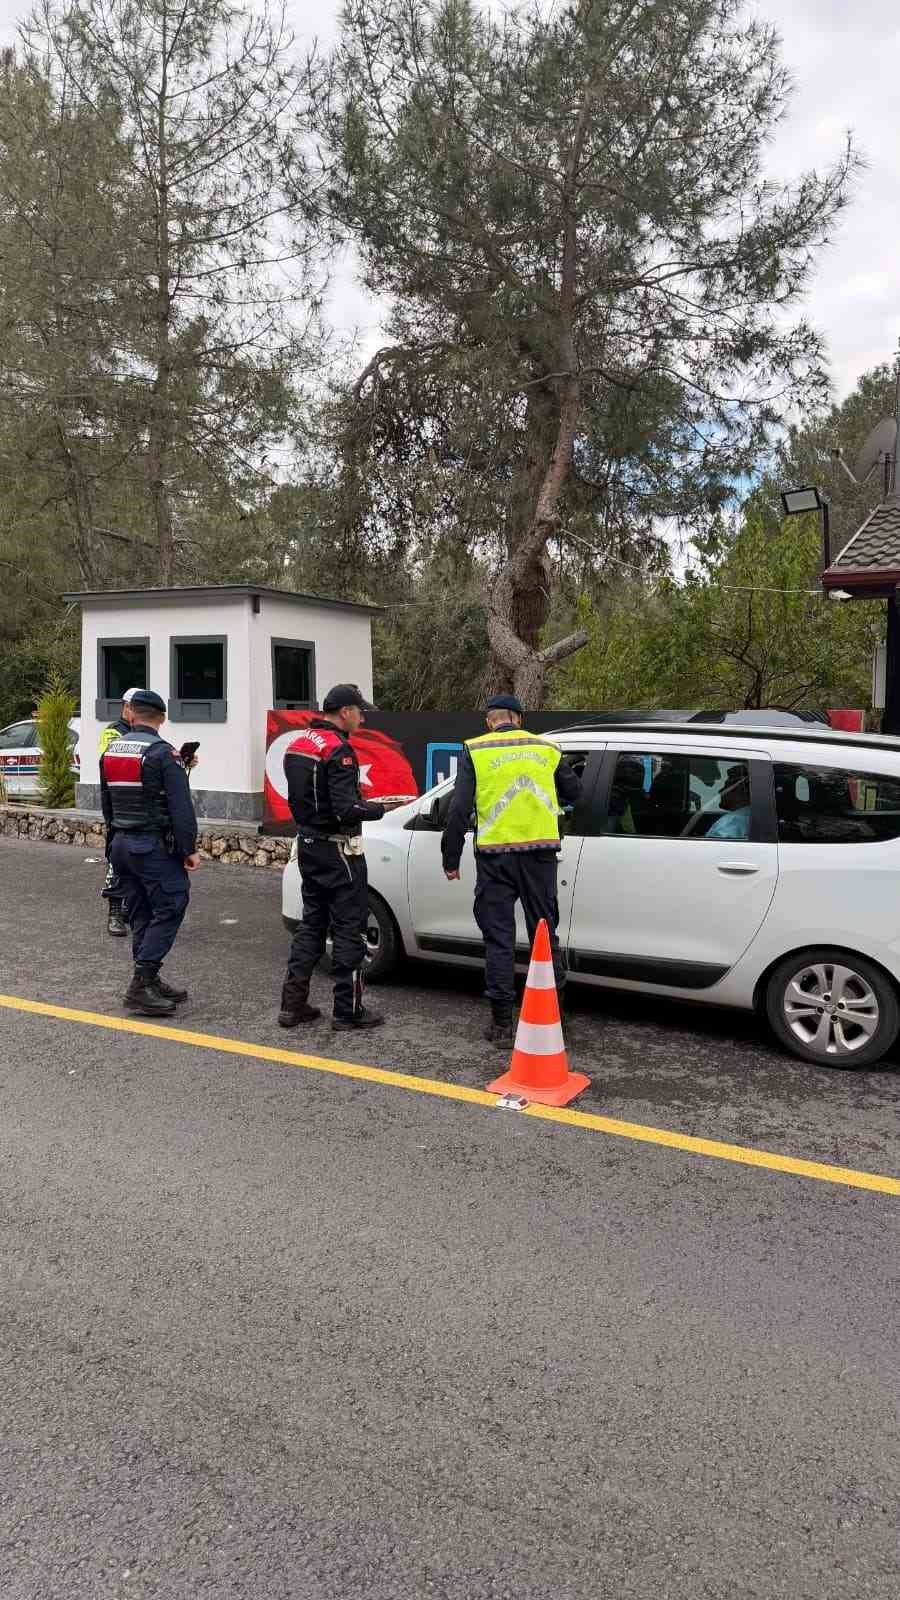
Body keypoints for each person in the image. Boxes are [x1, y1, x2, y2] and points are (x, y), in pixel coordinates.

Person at [441, 694, 582, 1044]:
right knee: (545, 936)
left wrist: (451, 857)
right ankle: (557, 1019)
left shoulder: (476, 749)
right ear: (518, 718)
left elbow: (458, 808)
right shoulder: (546, 749)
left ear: (490, 721)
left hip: (495, 858)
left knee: (499, 940)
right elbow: (575, 792)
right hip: (540, 856)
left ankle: (502, 1025)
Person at [278, 685, 387, 1032]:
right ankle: (348, 1010)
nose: (362, 716)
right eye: (359, 711)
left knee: (311, 924)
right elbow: (345, 808)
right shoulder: (340, 750)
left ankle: (292, 1005)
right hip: (340, 850)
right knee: (349, 927)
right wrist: (380, 808)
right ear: (344, 712)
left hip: (308, 844)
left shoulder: (298, 744)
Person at [99, 689, 200, 1017]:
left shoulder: (112, 749)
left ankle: (150, 978)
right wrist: (189, 849)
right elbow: (180, 808)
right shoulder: (162, 753)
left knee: (141, 910)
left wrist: (113, 842)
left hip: (121, 845)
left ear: (133, 713)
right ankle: (141, 983)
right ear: (162, 717)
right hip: (152, 846)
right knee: (172, 903)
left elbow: (106, 803)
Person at [98, 688, 141, 936]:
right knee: (116, 859)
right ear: (125, 707)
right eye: (134, 707)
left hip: (141, 807)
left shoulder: (144, 733)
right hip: (117, 807)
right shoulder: (113, 732)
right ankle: (114, 911)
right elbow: (110, 762)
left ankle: (129, 908)